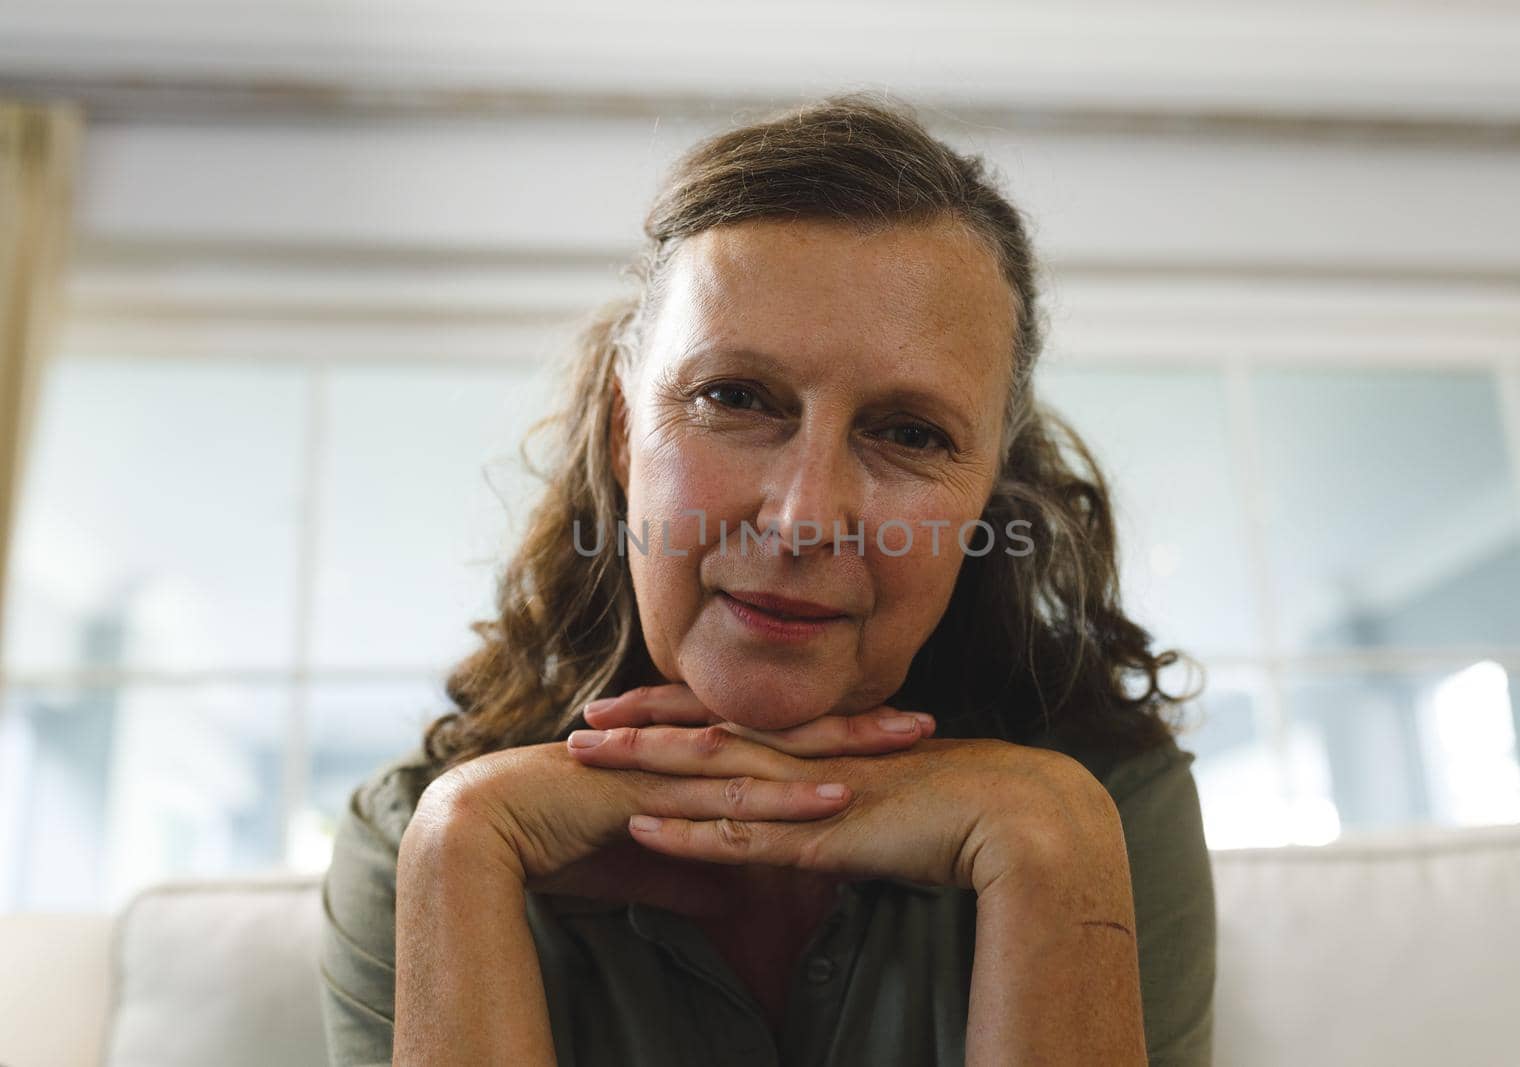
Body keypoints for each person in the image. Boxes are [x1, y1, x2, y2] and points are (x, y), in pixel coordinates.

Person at [319, 93, 1216, 1067]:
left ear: (987, 499)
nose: (802, 518)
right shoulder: (426, 835)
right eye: (734, 398)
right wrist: (463, 847)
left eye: (910, 433)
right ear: (625, 433)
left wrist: (1045, 841)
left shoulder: (1101, 803)